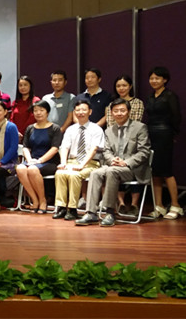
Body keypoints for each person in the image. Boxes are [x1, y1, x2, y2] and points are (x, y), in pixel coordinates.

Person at [76, 99, 151, 227]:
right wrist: (112, 160)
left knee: (111, 171)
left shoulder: (140, 127)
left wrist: (125, 162)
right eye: (116, 111)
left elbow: (144, 152)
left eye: (122, 110)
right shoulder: (109, 130)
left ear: (128, 112)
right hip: (113, 166)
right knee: (95, 173)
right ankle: (91, 213)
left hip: (133, 169)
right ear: (111, 113)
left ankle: (110, 213)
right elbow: (106, 151)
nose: (119, 113)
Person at [53, 100, 104, 220]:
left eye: (84, 110)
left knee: (74, 175)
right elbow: (64, 147)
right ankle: (61, 207)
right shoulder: (70, 129)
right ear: (74, 112)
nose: (81, 112)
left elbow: (94, 149)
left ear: (90, 112)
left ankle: (72, 209)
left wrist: (82, 165)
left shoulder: (96, 129)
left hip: (90, 163)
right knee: (60, 173)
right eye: (78, 110)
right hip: (72, 161)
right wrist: (63, 163)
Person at [104, 75, 145, 214]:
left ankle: (134, 204)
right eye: (118, 86)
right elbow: (110, 123)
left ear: (130, 86)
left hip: (132, 140)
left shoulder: (137, 103)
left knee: (132, 164)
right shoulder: (111, 104)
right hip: (115, 140)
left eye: (124, 85)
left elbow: (135, 122)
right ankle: (120, 203)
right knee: (113, 167)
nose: (121, 88)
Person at [145, 66, 182, 219]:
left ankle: (176, 205)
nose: (154, 81)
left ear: (164, 80)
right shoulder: (150, 96)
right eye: (151, 78)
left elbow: (176, 116)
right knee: (154, 171)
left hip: (165, 133)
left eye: (157, 78)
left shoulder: (170, 95)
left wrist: (173, 133)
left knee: (166, 171)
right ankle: (159, 206)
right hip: (151, 134)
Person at [15, 100, 62, 214]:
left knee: (32, 169)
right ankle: (34, 200)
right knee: (20, 168)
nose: (38, 113)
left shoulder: (55, 128)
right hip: (33, 160)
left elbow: (54, 148)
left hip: (49, 161)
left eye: (41, 110)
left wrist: (40, 160)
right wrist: (29, 160)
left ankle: (42, 200)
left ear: (47, 112)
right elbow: (25, 147)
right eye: (35, 110)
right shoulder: (30, 128)